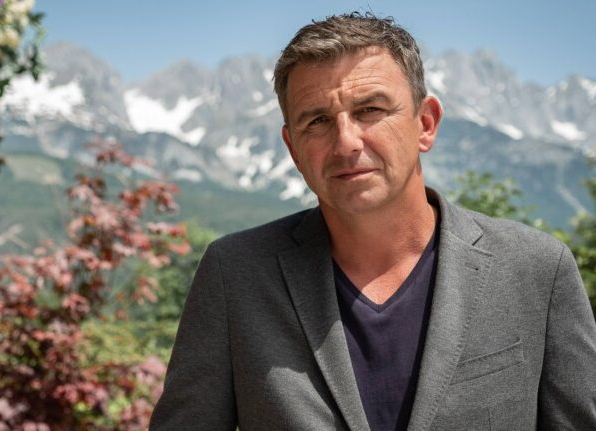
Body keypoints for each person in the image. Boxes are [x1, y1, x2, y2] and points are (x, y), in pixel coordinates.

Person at [150, 12, 596, 430]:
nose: (346, 142)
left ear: (426, 123)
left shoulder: (537, 269)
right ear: (293, 148)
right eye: (318, 121)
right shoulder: (236, 274)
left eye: (370, 110)